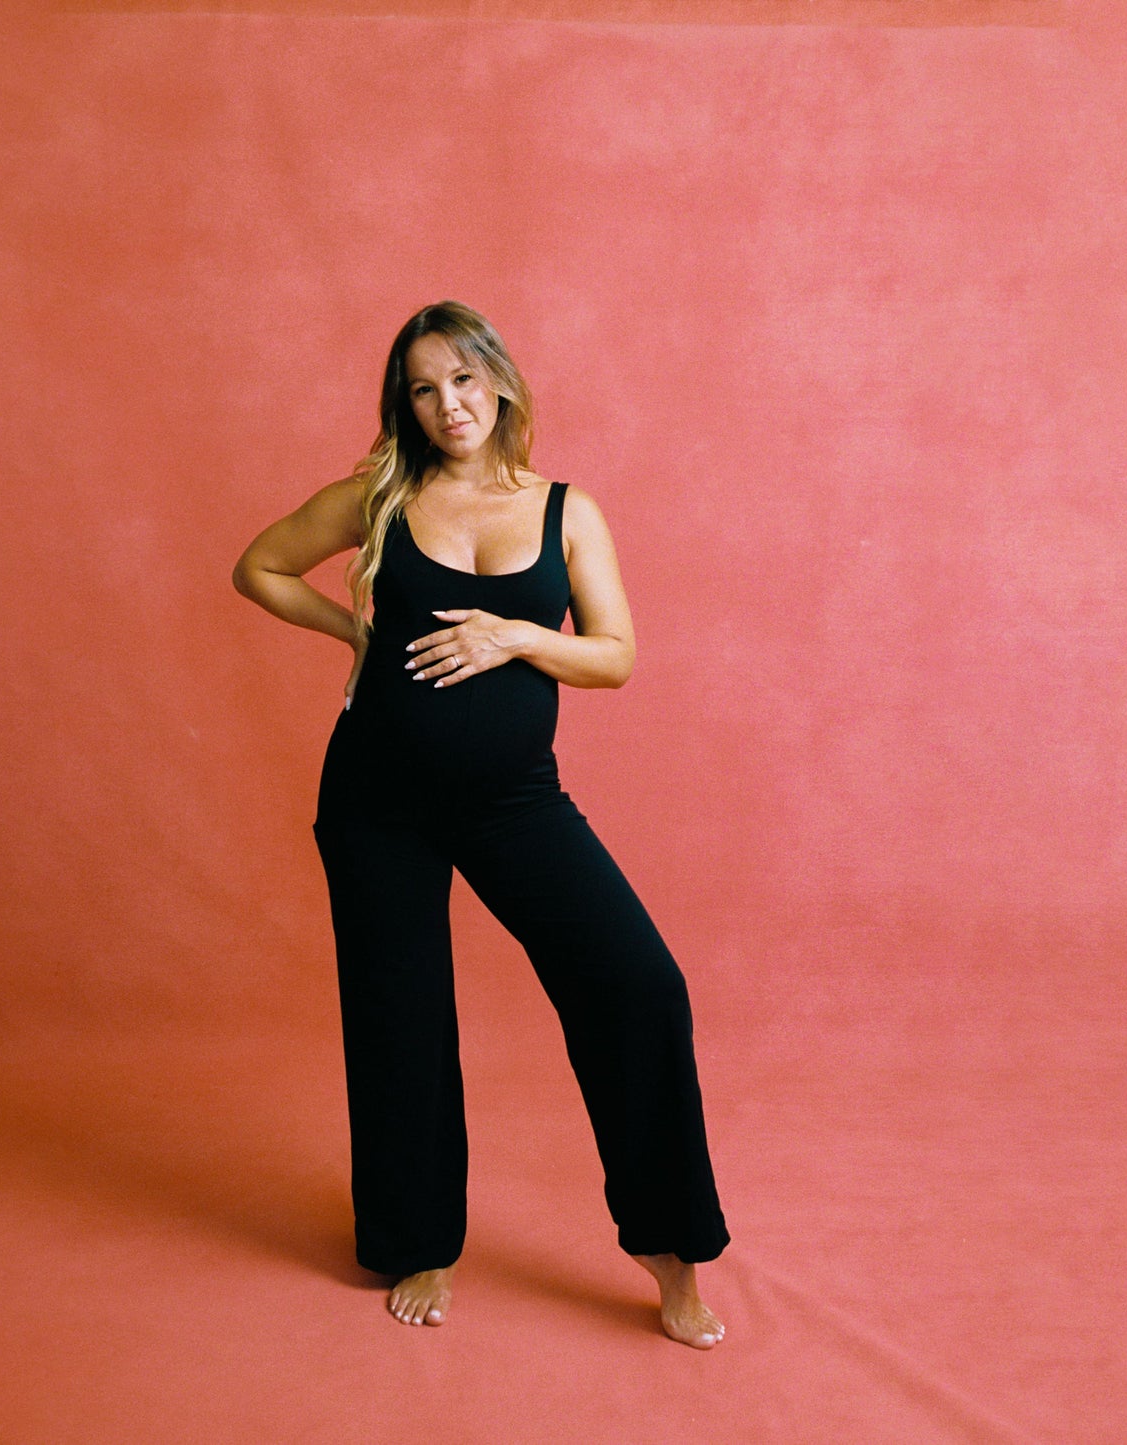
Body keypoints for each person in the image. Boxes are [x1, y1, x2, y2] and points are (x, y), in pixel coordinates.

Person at [233, 300, 729, 1348]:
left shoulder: (564, 511)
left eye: (460, 379)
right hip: (375, 802)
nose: (446, 403)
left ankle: (668, 1249)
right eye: (421, 387)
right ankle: (418, 1240)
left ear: (496, 381)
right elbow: (259, 565)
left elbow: (615, 655)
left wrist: (513, 636)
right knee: (399, 1020)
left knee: (637, 985)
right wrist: (351, 633)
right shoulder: (379, 495)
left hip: (514, 801)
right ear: (403, 404)